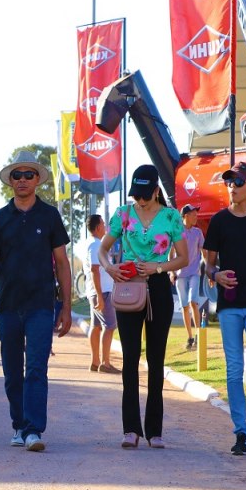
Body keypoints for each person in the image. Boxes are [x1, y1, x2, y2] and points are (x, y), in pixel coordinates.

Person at [0, 150, 72, 452]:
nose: (23, 180)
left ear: (37, 179)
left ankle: (33, 430)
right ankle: (19, 425)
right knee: (12, 373)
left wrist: (66, 306)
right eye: (17, 175)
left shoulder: (50, 216)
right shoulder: (0, 218)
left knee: (36, 369)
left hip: (41, 305)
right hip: (8, 306)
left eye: (28, 174)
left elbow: (62, 263)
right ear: (10, 181)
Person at [98, 164, 188, 449]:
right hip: (128, 286)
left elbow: (183, 258)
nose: (140, 200)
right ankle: (131, 429)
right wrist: (110, 268)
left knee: (156, 359)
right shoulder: (123, 214)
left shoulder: (171, 216)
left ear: (156, 190)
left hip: (159, 288)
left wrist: (158, 267)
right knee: (130, 358)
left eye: (145, 195)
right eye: (136, 195)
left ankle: (155, 431)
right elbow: (103, 249)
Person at [203, 161, 246, 456]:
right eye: (229, 181)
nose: (232, 186)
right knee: (233, 370)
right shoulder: (219, 221)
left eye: (238, 182)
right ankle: (241, 433)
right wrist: (215, 274)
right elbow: (208, 264)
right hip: (229, 306)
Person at [83, 214, 119, 374]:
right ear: (98, 227)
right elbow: (94, 269)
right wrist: (99, 295)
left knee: (96, 326)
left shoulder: (91, 243)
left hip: (97, 291)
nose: (105, 227)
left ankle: (95, 362)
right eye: (103, 224)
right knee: (109, 326)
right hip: (102, 291)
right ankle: (105, 363)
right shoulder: (96, 245)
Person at [172, 204, 205, 351]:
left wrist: (208, 271)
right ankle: (190, 337)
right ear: (185, 216)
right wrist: (171, 272)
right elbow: (171, 253)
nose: (196, 217)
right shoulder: (177, 231)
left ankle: (198, 335)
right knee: (185, 306)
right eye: (193, 214)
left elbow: (204, 252)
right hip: (180, 275)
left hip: (194, 273)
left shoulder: (198, 233)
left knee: (193, 302)